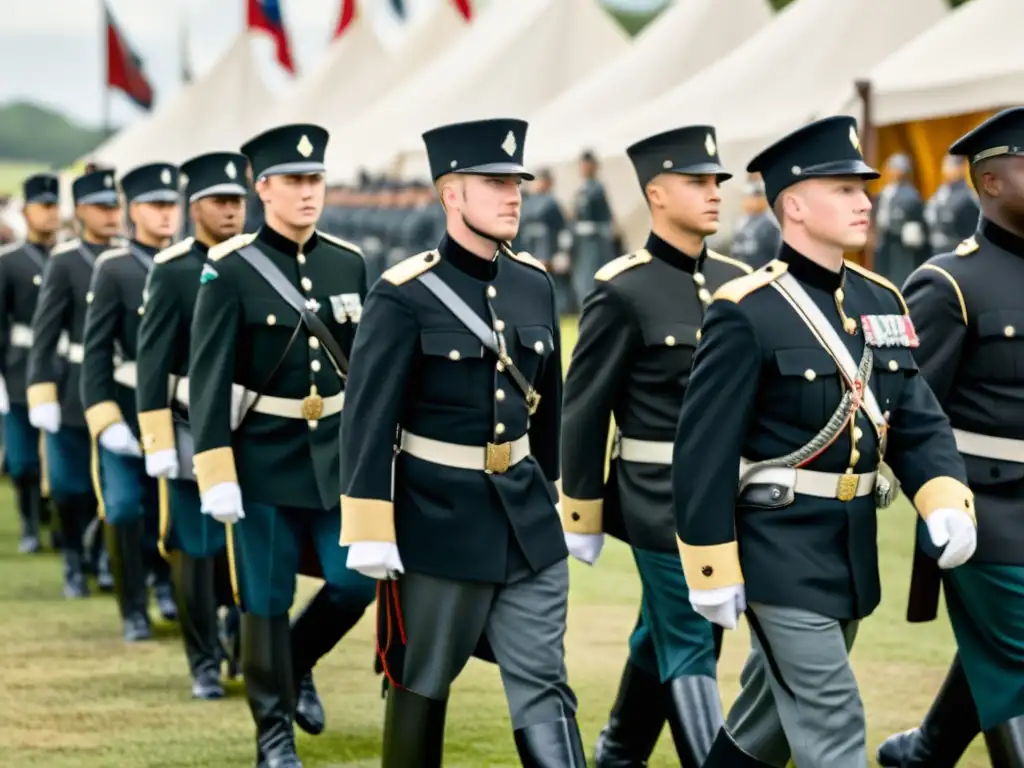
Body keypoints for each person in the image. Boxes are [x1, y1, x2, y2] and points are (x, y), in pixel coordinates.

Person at [672, 115, 979, 768]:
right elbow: (703, 451)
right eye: (844, 189)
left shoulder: (882, 299)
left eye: (862, 188)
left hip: (847, 547)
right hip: (775, 549)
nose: (865, 202)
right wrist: (710, 565)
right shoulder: (745, 309)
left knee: (763, 729)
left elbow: (914, 418)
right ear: (794, 205)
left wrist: (944, 496)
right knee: (833, 720)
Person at [339, 118, 583, 767]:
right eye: (494, 182)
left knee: (544, 681)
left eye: (517, 182)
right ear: (451, 193)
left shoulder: (534, 283)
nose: (513, 195)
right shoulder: (403, 295)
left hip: (528, 519)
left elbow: (548, 404)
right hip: (437, 521)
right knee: (421, 679)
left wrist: (556, 491)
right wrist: (370, 525)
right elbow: (367, 417)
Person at [562, 125, 751, 767]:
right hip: (656, 497)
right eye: (697, 182)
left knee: (665, 627)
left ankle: (619, 749)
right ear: (656, 194)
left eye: (717, 181)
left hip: (728, 496)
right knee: (694, 634)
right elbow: (584, 411)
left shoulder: (738, 281)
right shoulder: (622, 288)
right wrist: (582, 510)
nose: (713, 193)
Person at [188, 123, 377, 766]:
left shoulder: (347, 261)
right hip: (262, 464)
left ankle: (294, 664)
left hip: (334, 463)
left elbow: (366, 370)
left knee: (354, 584)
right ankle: (273, 735)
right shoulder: (230, 268)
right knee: (262, 602)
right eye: (294, 181)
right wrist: (216, 473)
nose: (308, 192)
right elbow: (209, 378)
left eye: (315, 179)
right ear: (262, 188)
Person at [876, 107, 1024, 767]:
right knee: (1019, 654)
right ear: (990, 182)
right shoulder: (946, 283)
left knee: (1001, 647)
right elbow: (904, 410)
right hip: (983, 508)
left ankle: (926, 752)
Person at [135, 152, 247, 696]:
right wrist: (155, 438)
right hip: (186, 424)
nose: (230, 212)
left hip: (252, 425)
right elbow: (152, 358)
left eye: (237, 201)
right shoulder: (174, 268)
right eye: (218, 201)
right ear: (194, 206)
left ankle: (247, 633)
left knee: (253, 542)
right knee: (198, 547)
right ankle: (203, 658)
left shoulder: (257, 261)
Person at [81, 162, 181, 641]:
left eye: (171, 205)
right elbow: (96, 351)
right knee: (123, 509)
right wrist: (105, 418)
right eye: (154, 206)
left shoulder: (194, 264)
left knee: (173, 513)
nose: (166, 215)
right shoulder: (115, 268)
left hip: (179, 411)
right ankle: (132, 606)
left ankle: (168, 586)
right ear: (132, 211)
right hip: (126, 407)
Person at [27, 168, 119, 598]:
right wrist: (41, 389)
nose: (111, 215)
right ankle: (72, 561)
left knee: (114, 484)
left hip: (120, 385)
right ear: (81, 210)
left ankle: (103, 557)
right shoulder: (65, 260)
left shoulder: (129, 257)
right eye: (102, 207)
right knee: (69, 485)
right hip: (73, 385)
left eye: (115, 206)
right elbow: (45, 332)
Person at [0, 173, 61, 553]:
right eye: (43, 206)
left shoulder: (68, 257)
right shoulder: (9, 262)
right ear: (26, 211)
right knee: (23, 462)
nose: (51, 214)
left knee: (60, 461)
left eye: (55, 206)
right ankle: (28, 523)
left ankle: (56, 523)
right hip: (20, 367)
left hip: (63, 369)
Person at [520, 169, 573, 314]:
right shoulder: (526, 202)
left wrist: (562, 252)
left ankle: (558, 310)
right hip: (529, 249)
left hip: (548, 250)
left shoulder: (551, 203)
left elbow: (562, 229)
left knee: (550, 281)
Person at [873, 153, 930, 287]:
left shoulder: (911, 195)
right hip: (884, 239)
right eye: (893, 168)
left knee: (899, 273)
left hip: (900, 242)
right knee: (882, 272)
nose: (896, 172)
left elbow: (917, 221)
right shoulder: (885, 191)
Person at [571, 149, 615, 310]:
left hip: (596, 241)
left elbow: (607, 218)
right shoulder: (581, 189)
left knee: (595, 275)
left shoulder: (597, 188)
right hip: (583, 242)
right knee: (583, 277)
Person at [924, 153, 980, 256]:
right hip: (936, 250)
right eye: (946, 165)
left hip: (956, 252)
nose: (947, 169)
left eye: (951, 165)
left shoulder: (968, 198)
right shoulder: (940, 193)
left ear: (961, 169)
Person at [730, 173, 782, 268]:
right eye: (747, 197)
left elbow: (778, 258)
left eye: (755, 197)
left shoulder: (769, 225)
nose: (749, 201)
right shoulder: (741, 223)